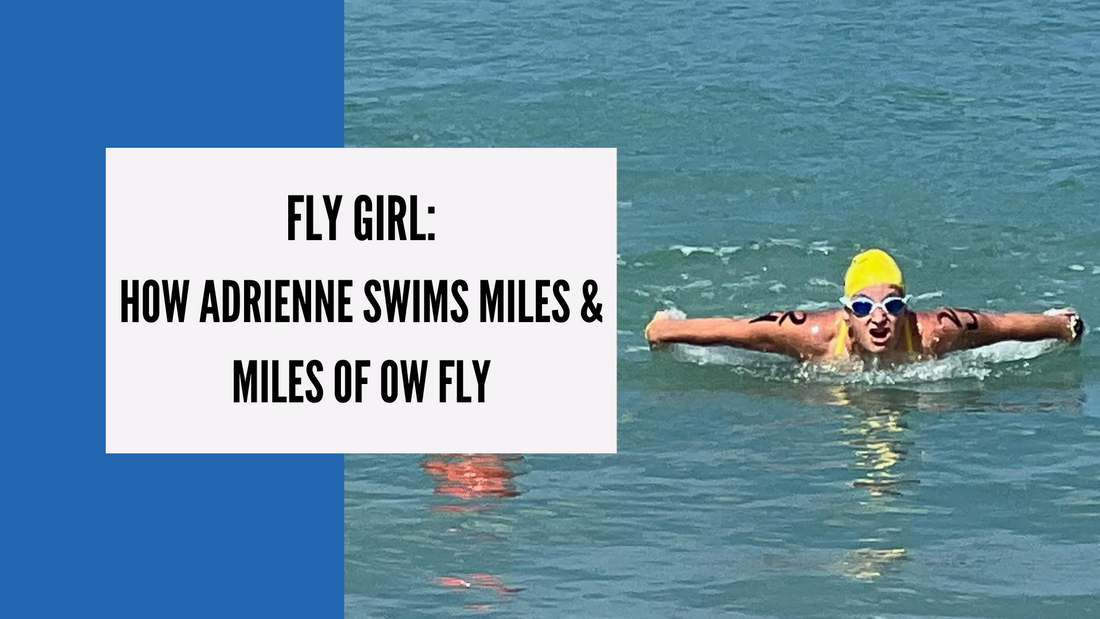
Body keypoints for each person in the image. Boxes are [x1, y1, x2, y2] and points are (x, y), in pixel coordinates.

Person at [644, 248, 1085, 364]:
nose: (878, 318)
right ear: (845, 313)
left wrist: (1060, 326)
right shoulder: (810, 334)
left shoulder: (935, 331)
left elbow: (1000, 325)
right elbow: (735, 330)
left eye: (892, 306)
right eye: (863, 307)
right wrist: (662, 331)